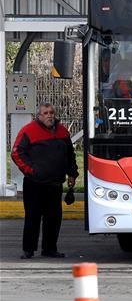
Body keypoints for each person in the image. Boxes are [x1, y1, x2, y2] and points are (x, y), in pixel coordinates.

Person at [11, 102, 78, 259]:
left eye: (51, 112)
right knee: (33, 217)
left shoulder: (63, 132)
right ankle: (29, 249)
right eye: (46, 113)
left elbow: (70, 155)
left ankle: (49, 249)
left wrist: (72, 174)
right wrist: (31, 171)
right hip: (34, 183)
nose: (50, 115)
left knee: (54, 218)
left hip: (55, 183)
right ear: (39, 116)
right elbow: (16, 153)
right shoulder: (28, 131)